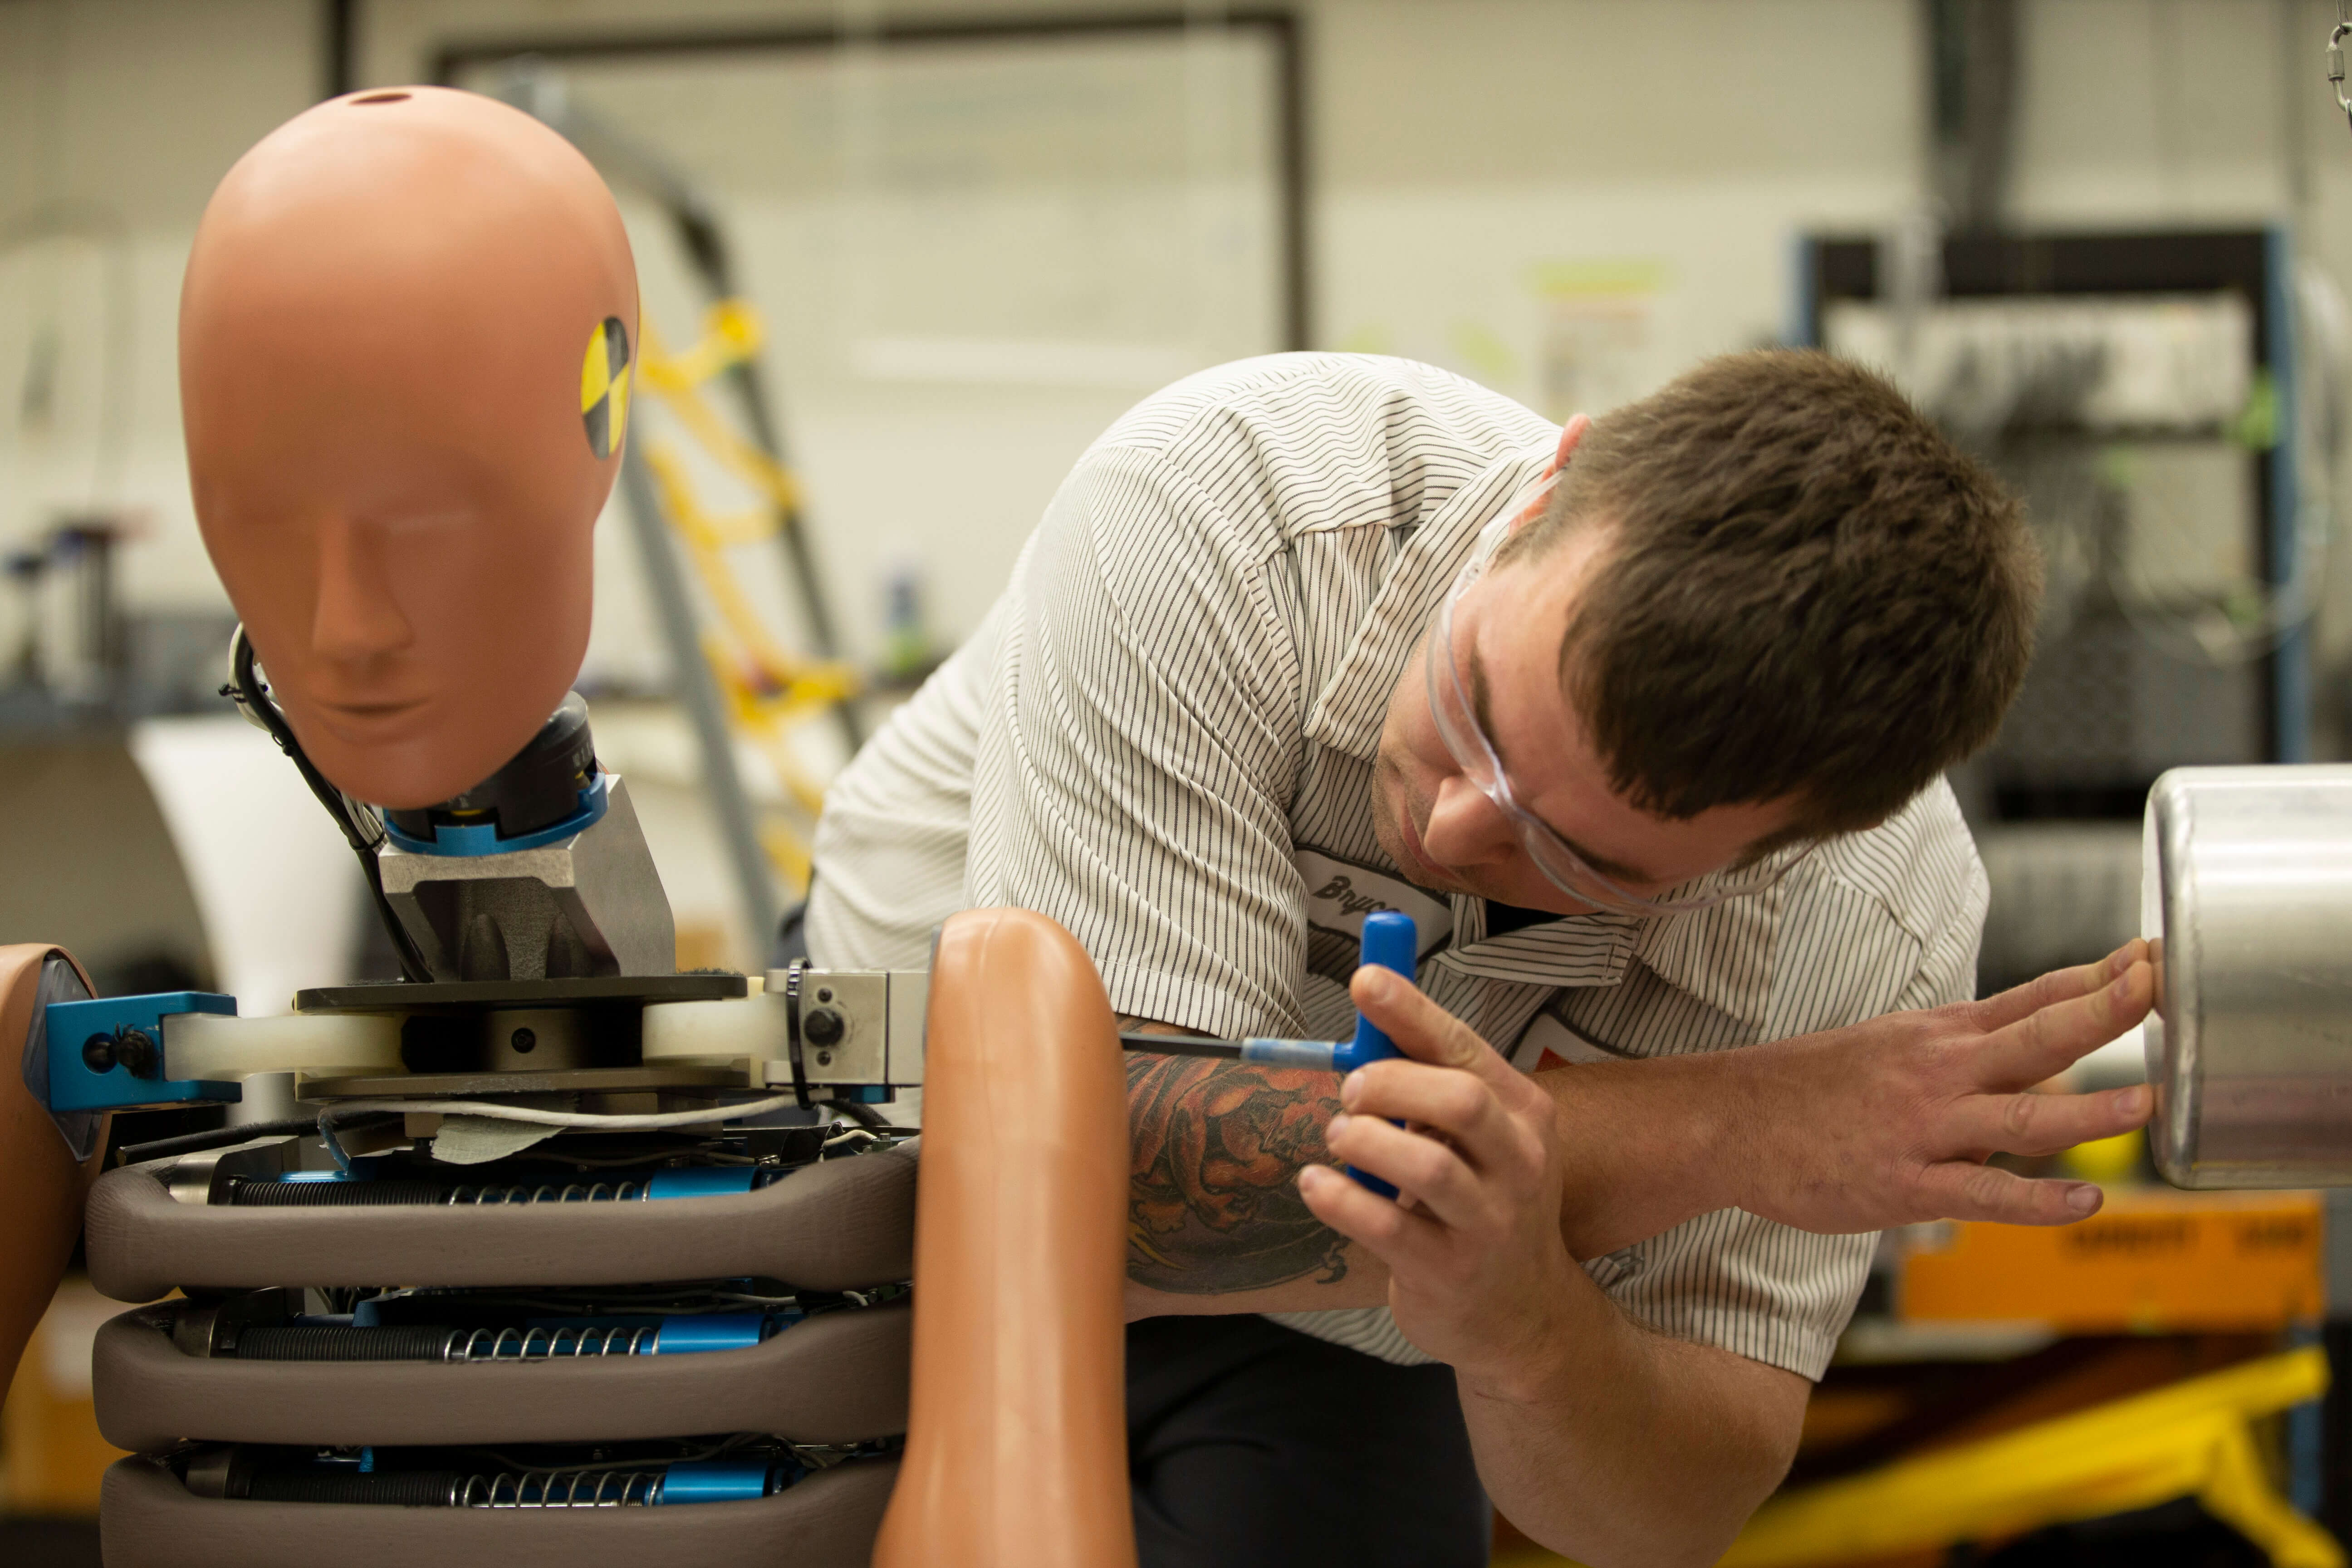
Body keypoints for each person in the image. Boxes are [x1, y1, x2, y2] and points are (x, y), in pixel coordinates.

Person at [804, 348, 2156, 1568]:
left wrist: (1530, 1329)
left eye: (1593, 860)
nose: (1452, 828)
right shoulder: (1226, 503)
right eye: (1477, 706)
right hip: (870, 1144)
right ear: (1541, 493)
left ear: (1781, 855)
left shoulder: (1869, 921)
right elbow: (1109, 1198)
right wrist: (1733, 1126)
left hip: (1337, 1321)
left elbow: (1665, 1526)